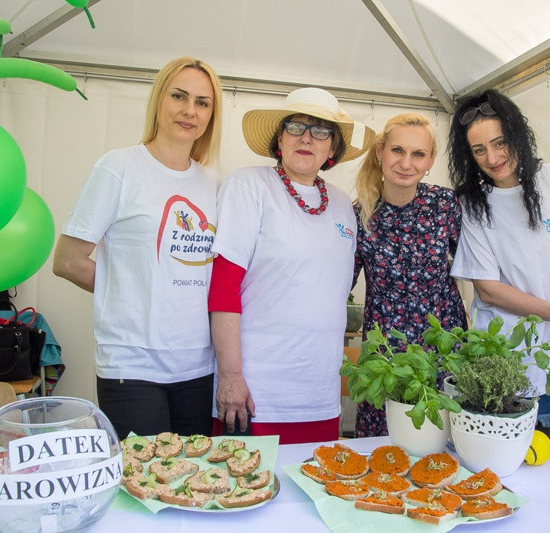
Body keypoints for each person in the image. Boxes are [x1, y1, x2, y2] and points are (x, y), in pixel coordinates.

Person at [52, 57, 223, 439]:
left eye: (202, 102)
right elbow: (67, 261)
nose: (189, 110)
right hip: (132, 365)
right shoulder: (119, 167)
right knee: (143, 485)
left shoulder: (212, 183)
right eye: (179, 96)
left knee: (193, 484)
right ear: (159, 100)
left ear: (212, 114)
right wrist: (128, 288)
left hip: (197, 366)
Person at [448, 88, 550, 466]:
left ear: (516, 134)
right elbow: (489, 291)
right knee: (501, 468)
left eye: (499, 142)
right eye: (479, 150)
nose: (492, 157)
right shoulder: (474, 204)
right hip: (503, 355)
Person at [208, 87, 374, 444]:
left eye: (321, 131)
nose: (307, 139)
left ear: (332, 148)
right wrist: (231, 376)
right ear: (279, 138)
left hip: (319, 396)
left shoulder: (345, 205)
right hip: (255, 395)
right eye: (296, 127)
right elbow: (223, 287)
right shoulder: (249, 185)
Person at [351, 112, 468, 437]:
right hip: (386, 358)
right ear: (380, 152)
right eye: (397, 150)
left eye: (418, 154)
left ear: (430, 160)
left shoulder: (444, 205)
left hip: (442, 350)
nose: (406, 162)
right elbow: (339, 285)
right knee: (384, 454)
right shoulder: (361, 214)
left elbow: (476, 267)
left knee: (440, 452)